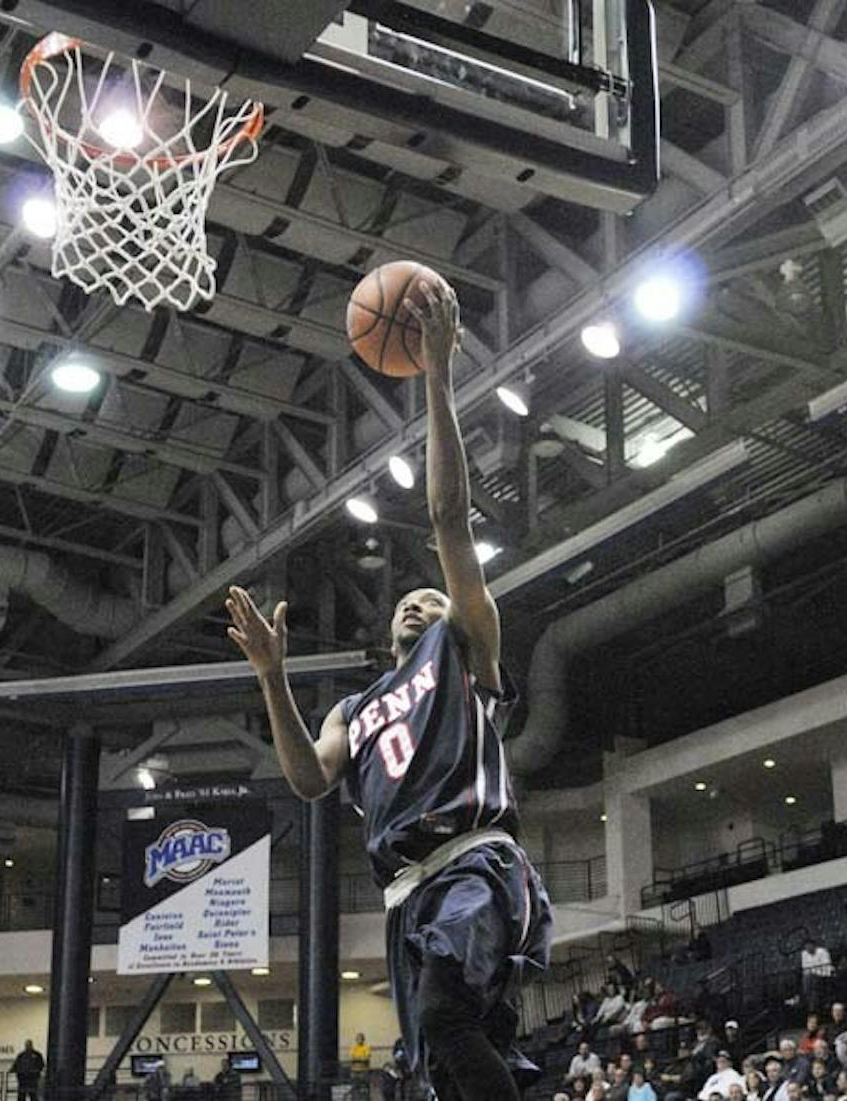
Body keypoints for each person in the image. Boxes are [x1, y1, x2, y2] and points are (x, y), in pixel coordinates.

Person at [226, 276, 554, 1101]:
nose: (419, 598)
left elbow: (447, 518)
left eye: (432, 594)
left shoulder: (466, 646)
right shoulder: (357, 707)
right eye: (409, 599)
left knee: (447, 1022)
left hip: (477, 865)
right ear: (387, 630)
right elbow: (308, 779)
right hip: (408, 895)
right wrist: (273, 678)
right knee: (444, 1066)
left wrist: (438, 377)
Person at [350, 1033, 372, 1098]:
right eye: (358, 1039)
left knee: (365, 1088)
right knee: (355, 1087)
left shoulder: (366, 1047)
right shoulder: (353, 1047)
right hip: (354, 1071)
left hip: (364, 1071)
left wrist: (358, 1058)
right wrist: (361, 1058)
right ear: (356, 1040)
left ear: (363, 1039)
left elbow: (366, 1058)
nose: (360, 1040)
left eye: (361, 1039)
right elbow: (353, 1058)